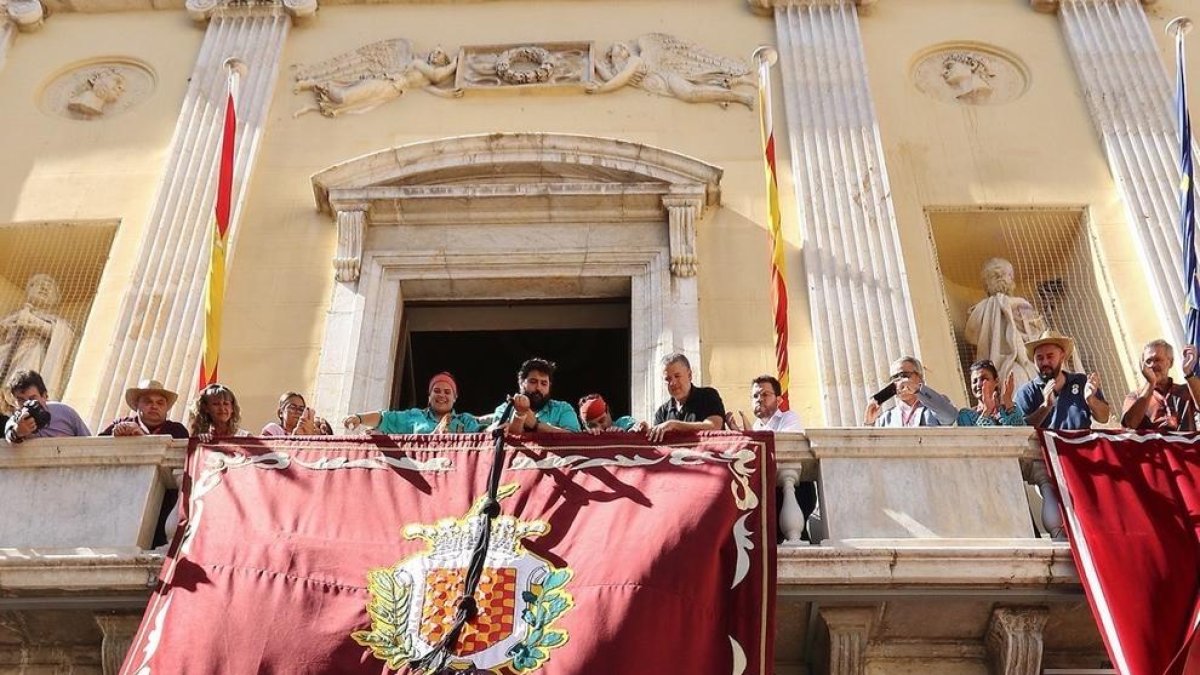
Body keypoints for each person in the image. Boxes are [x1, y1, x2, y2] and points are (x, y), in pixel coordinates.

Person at [963, 258, 1045, 394]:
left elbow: (972, 340)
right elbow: (1037, 336)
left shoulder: (976, 312)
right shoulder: (1020, 304)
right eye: (1010, 275)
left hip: (994, 369)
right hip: (1021, 364)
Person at [0, 274, 75, 410]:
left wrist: (34, 323)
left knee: (35, 350)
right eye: (39, 284)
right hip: (6, 353)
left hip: (31, 351)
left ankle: (18, 398)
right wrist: (10, 323)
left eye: (50, 287)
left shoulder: (56, 321)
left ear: (56, 300)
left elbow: (62, 335)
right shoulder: (16, 314)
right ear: (28, 291)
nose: (44, 287)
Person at [1016, 330, 1109, 430]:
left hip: (1082, 445)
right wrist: (1045, 407)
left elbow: (1104, 418)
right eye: (1040, 358)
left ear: (1062, 357)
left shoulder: (1081, 382)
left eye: (1050, 356)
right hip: (1047, 445)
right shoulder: (1027, 392)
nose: (1045, 362)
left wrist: (1091, 400)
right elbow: (1020, 431)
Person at [344, 372, 481, 434]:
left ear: (455, 398)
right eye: (437, 391)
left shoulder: (466, 421)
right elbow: (385, 418)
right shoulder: (414, 417)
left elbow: (486, 435)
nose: (442, 395)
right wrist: (359, 418)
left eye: (447, 392)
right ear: (429, 396)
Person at [1121, 339, 1200, 432]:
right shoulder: (1135, 396)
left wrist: (1188, 373)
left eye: (1157, 360)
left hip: (1186, 445)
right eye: (1148, 361)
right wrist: (1151, 384)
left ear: (1170, 362)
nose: (1152, 365)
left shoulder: (1186, 390)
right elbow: (1131, 424)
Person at [646, 353, 725, 442]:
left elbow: (713, 427)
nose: (672, 383)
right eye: (667, 379)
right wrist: (645, 432)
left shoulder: (708, 396)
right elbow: (656, 442)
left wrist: (674, 425)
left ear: (690, 375)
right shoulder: (662, 412)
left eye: (677, 376)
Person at [493, 358, 581, 434]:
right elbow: (497, 434)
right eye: (533, 382)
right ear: (521, 384)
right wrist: (519, 415)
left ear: (549, 386)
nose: (539, 387)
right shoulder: (504, 409)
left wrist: (536, 425)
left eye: (544, 383)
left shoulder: (563, 409)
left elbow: (575, 437)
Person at [864, 356, 958, 427]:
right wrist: (869, 423)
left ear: (920, 377)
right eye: (894, 378)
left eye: (904, 375)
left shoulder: (934, 404)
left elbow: (950, 417)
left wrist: (917, 390)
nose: (899, 381)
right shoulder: (886, 418)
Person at [3, 369, 90, 442]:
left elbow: (90, 443)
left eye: (32, 398)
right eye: (21, 400)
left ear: (44, 396)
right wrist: (18, 432)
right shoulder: (15, 421)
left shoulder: (65, 413)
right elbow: (10, 435)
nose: (27, 404)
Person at [100, 379, 189, 439]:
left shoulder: (177, 430)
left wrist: (142, 436)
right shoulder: (121, 423)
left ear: (166, 408)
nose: (154, 406)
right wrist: (114, 436)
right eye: (148, 401)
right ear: (136, 404)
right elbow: (96, 447)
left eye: (160, 403)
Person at [956, 360, 1024, 427]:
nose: (979, 384)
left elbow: (1023, 434)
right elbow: (976, 437)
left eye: (983, 379)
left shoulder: (1009, 411)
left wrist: (1009, 403)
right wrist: (987, 411)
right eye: (975, 381)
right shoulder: (965, 416)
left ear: (996, 381)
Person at [729, 374, 803, 432]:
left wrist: (751, 435)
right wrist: (739, 433)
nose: (759, 399)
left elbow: (785, 446)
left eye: (765, 394)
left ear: (778, 400)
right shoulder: (756, 426)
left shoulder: (789, 418)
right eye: (755, 396)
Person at [262, 392, 332, 436]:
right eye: (292, 407)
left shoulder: (305, 433)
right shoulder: (274, 429)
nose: (297, 411)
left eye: (301, 409)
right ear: (281, 412)